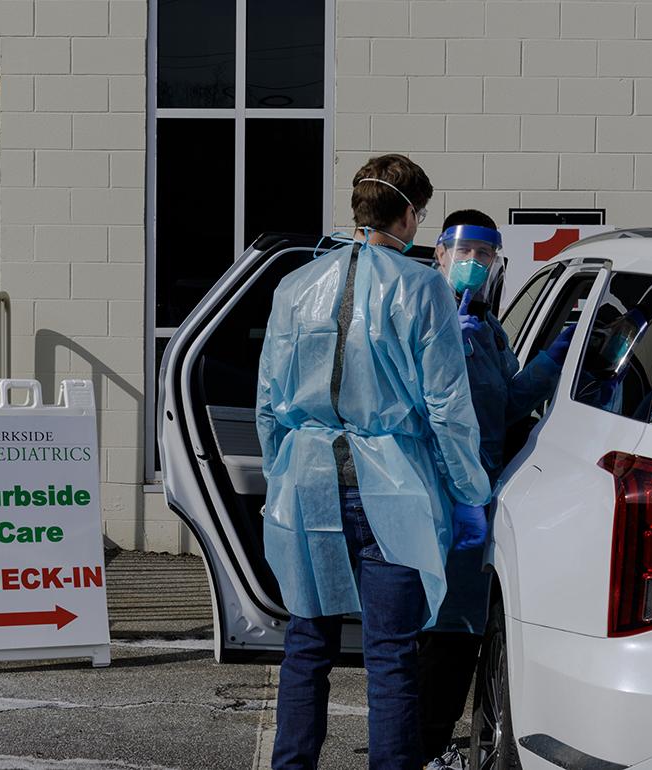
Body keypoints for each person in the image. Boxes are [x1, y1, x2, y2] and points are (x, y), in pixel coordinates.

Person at [257, 156, 493, 770]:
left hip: (306, 487)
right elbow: (446, 406)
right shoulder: (422, 288)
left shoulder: (294, 287)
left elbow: (267, 403)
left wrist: (278, 475)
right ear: (410, 214)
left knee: (306, 647)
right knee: (391, 659)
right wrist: (469, 492)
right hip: (392, 491)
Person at [419, 210, 576, 768]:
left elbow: (504, 403)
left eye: (484, 256)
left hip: (474, 492)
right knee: (437, 633)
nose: (473, 265)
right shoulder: (427, 318)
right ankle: (423, 748)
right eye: (463, 253)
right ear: (438, 254)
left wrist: (558, 358)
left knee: (457, 631)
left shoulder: (485, 327)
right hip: (438, 492)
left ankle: (426, 744)